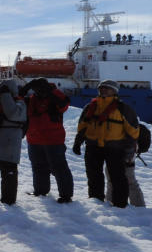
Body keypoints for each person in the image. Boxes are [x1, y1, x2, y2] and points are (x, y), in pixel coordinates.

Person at [73, 79, 140, 208]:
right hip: (93, 147)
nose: (103, 90)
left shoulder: (123, 108)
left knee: (118, 178)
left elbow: (133, 131)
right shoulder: (91, 107)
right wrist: (78, 142)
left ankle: (120, 205)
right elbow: (82, 126)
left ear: (114, 91)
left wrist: (129, 150)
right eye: (101, 88)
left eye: (107, 88)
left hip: (115, 148)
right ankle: (96, 202)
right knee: (93, 176)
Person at [20, 78, 74, 203]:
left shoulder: (54, 95)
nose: (37, 90)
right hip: (34, 139)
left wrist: (49, 92)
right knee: (38, 167)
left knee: (59, 167)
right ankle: (40, 190)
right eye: (35, 88)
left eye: (39, 87)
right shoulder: (32, 99)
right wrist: (25, 89)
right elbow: (17, 102)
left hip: (53, 140)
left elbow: (64, 104)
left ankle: (66, 196)